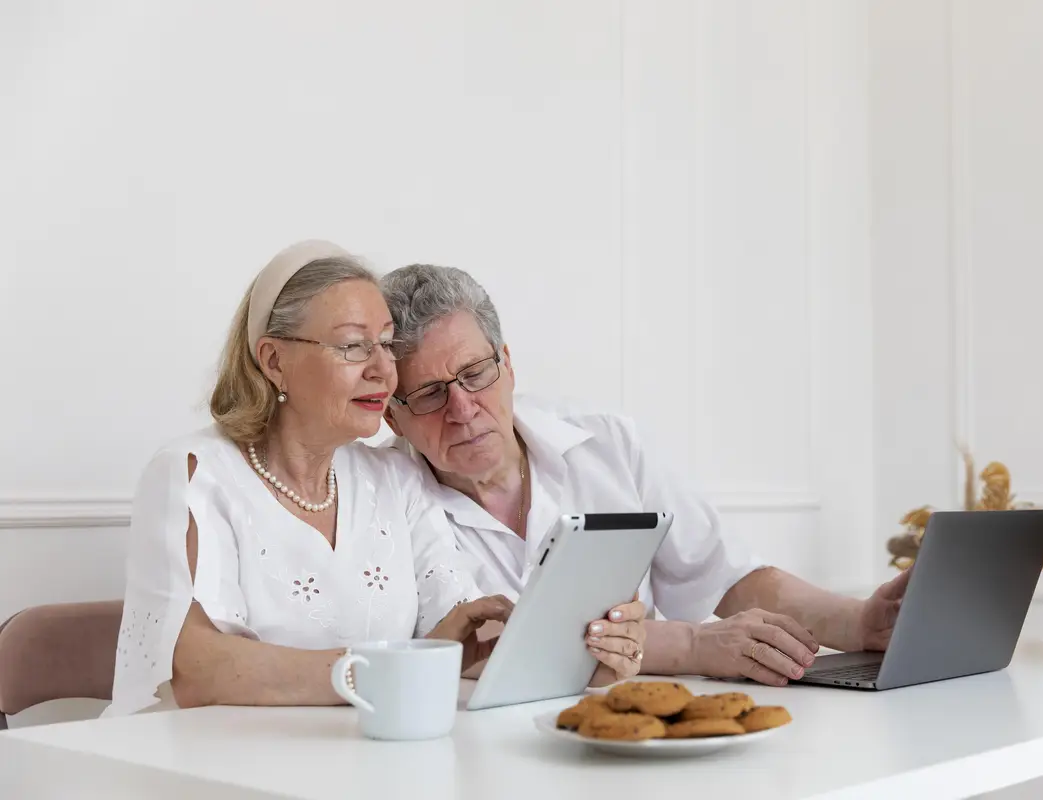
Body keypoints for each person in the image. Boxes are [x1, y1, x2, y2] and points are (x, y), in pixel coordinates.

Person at [104, 242, 644, 717]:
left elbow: (464, 635)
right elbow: (198, 668)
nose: (383, 370)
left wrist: (584, 656)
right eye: (353, 345)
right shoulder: (195, 474)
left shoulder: (396, 477)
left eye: (386, 344)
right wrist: (383, 673)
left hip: (357, 767)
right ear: (273, 360)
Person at [376, 263, 910, 688]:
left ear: (508, 364)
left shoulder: (609, 443)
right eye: (428, 394)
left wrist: (858, 621)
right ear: (391, 414)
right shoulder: (384, 496)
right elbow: (488, 641)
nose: (463, 408)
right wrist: (694, 647)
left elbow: (726, 576)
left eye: (475, 374)